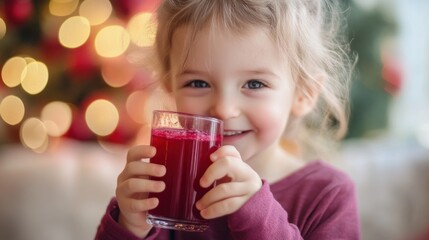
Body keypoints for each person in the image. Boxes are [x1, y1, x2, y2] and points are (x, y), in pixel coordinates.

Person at [96, 0, 360, 239]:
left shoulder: (327, 194)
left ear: (304, 94)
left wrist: (258, 217)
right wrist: (129, 226)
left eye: (255, 84)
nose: (223, 109)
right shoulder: (166, 189)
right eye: (198, 83)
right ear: (169, 86)